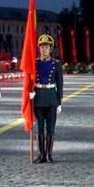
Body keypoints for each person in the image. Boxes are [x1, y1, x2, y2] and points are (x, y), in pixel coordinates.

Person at [32, 34, 63, 163]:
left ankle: (49, 154)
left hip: (51, 98)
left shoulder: (56, 64)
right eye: (42, 47)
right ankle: (41, 154)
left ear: (51, 49)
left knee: (50, 128)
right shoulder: (34, 63)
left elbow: (60, 84)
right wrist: (30, 92)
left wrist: (59, 102)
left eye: (47, 47)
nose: (44, 49)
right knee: (39, 128)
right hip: (38, 97)